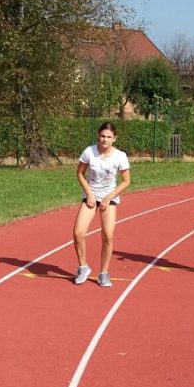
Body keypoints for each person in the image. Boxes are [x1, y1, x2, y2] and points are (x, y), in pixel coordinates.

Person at [72, 123, 131, 288]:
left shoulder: (120, 156)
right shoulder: (89, 152)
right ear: (98, 136)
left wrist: (108, 198)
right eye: (103, 136)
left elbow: (126, 181)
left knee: (108, 235)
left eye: (109, 137)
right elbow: (79, 173)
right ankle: (83, 267)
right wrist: (89, 194)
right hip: (91, 196)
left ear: (114, 139)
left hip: (109, 197)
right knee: (78, 233)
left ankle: (104, 273)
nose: (105, 139)